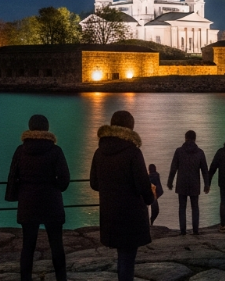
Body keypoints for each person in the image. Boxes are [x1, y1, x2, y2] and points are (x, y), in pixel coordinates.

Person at [90, 111, 154, 281]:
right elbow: (142, 185)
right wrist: (151, 198)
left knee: (122, 256)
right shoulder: (133, 152)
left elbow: (94, 184)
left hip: (109, 213)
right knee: (127, 257)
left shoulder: (99, 152)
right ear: (131, 128)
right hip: (130, 214)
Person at [6, 114, 70, 281]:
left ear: (30, 127)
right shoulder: (55, 151)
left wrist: (15, 194)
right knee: (57, 246)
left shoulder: (21, 150)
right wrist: (55, 185)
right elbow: (64, 180)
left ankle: (26, 279)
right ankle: (61, 278)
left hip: (28, 203)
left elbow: (13, 176)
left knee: (28, 246)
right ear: (47, 128)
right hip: (52, 203)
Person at [167, 130, 210, 235]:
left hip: (181, 183)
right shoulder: (200, 152)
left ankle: (183, 231)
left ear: (185, 138)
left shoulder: (179, 151)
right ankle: (195, 231)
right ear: (195, 139)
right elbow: (205, 170)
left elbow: (173, 168)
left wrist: (170, 181)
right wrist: (207, 184)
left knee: (182, 207)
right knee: (195, 207)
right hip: (195, 184)